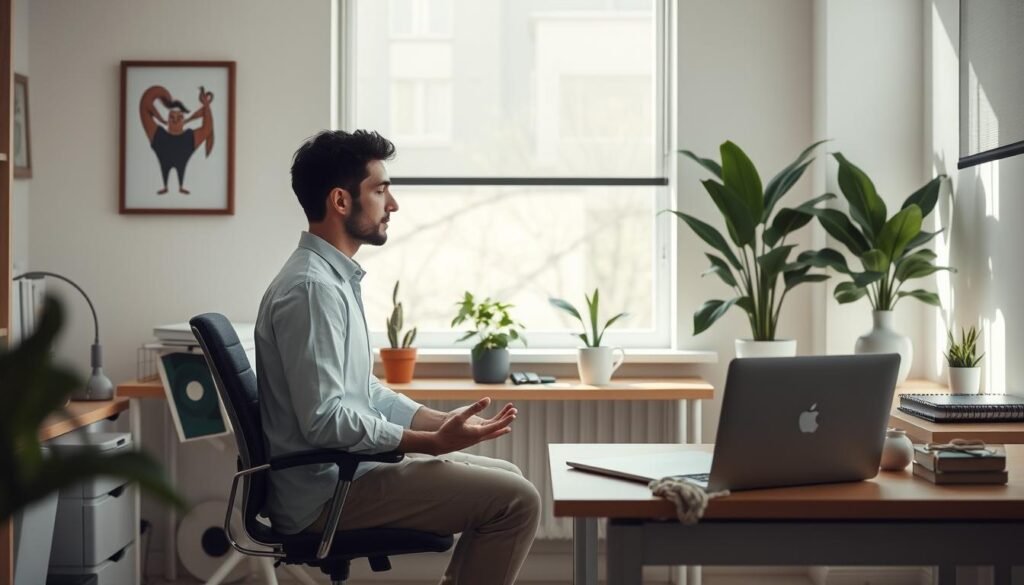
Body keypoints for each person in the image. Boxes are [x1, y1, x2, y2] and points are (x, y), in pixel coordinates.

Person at [255, 130, 540, 585]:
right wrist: (426, 444)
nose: (393, 204)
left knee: (510, 476)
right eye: (380, 189)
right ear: (340, 201)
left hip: (346, 474)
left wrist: (436, 421)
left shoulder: (332, 280)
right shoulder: (311, 290)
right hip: (325, 495)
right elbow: (325, 419)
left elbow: (361, 390)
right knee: (516, 500)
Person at [138, 85, 215, 194]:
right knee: (165, 168)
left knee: (180, 169)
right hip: (163, 147)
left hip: (185, 146)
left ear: (184, 120)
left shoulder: (189, 138)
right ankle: (165, 187)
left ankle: (180, 187)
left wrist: (206, 104)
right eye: (172, 117)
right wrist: (164, 97)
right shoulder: (158, 135)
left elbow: (207, 128)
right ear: (167, 120)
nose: (175, 120)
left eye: (179, 117)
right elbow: (144, 106)